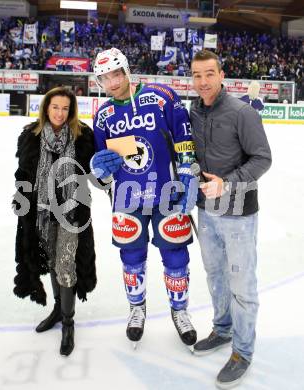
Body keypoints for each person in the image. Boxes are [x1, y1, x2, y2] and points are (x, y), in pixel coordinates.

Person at [90, 48, 199, 350]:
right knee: (132, 259)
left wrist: (189, 171)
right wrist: (99, 172)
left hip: (168, 194)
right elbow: (103, 168)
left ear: (126, 70)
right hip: (128, 199)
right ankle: (137, 309)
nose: (111, 82)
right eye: (104, 78)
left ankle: (180, 311)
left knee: (176, 257)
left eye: (115, 74)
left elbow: (184, 139)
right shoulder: (103, 116)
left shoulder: (162, 96)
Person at [190, 50, 272, 388]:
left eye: (209, 74)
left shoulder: (241, 113)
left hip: (238, 214)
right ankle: (223, 331)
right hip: (206, 211)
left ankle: (243, 350)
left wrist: (228, 183)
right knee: (215, 276)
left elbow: (262, 159)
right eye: (197, 75)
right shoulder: (193, 111)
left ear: (221, 75)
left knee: (242, 285)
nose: (203, 82)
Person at [13, 86, 97, 356]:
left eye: (65, 108)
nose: (60, 113)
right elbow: (23, 172)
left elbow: (94, 172)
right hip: (41, 212)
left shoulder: (82, 136)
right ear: (46, 108)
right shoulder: (31, 136)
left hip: (71, 213)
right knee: (50, 261)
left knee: (65, 264)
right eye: (55, 107)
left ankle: (69, 323)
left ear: (71, 111)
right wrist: (21, 198)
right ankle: (58, 311)